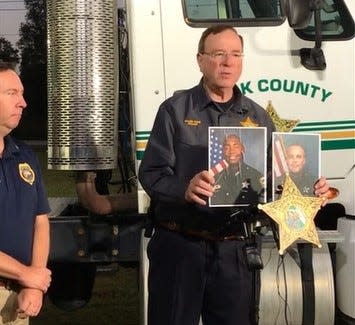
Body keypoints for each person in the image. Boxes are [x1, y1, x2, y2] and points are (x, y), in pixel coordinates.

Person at [138, 25, 329, 325]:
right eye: (218, 54)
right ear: (200, 60)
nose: (228, 62)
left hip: (234, 251)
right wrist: (184, 189)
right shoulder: (174, 111)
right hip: (180, 247)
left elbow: (275, 182)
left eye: (235, 54)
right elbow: (151, 173)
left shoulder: (258, 117)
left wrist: (307, 193)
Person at [0, 62, 51, 324]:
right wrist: (25, 273)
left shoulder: (25, 156)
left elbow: (40, 221)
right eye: (12, 93)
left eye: (21, 94)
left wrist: (34, 281)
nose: (23, 103)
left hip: (17, 296)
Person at [211, 133, 265, 206]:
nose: (231, 151)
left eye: (236, 147)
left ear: (243, 149)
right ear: (223, 152)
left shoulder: (255, 176)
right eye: (227, 148)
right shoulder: (215, 177)